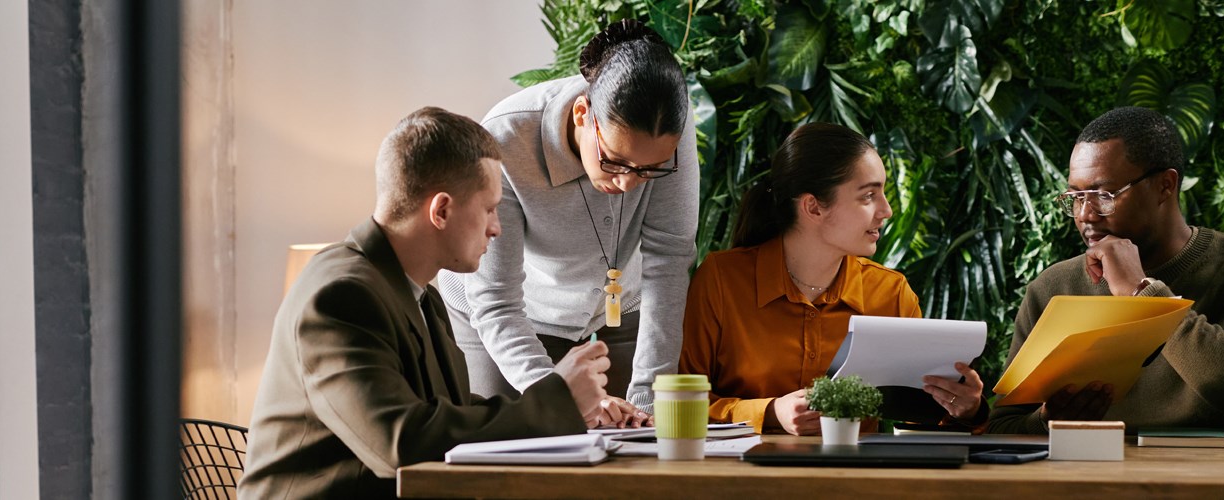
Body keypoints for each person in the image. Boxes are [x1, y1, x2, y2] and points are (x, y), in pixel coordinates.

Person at [237, 107, 613, 498]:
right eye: (489, 208)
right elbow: (400, 441)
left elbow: (446, 409)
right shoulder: (340, 296)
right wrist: (554, 402)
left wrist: (578, 415)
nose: (496, 228)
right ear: (442, 210)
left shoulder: (422, 295)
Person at [986, 106, 1224, 435]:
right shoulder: (1054, 287)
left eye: (1103, 195)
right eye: (1076, 197)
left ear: (1165, 186)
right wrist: (1047, 420)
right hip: (1090, 483)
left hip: (1218, 482)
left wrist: (1144, 295)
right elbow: (1004, 427)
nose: (1086, 214)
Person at [438, 19, 698, 422]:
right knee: (516, 456)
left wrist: (648, 404)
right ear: (582, 114)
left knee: (629, 445)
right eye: (614, 160)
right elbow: (497, 302)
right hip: (509, 312)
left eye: (650, 169)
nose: (629, 182)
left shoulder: (668, 131)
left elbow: (669, 259)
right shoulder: (504, 140)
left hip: (616, 306)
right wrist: (562, 400)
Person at [679, 123, 987, 435]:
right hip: (744, 477)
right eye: (868, 195)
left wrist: (965, 408)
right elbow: (678, 404)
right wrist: (770, 411)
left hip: (857, 477)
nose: (887, 210)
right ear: (813, 207)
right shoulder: (721, 280)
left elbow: (921, 419)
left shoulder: (892, 294)